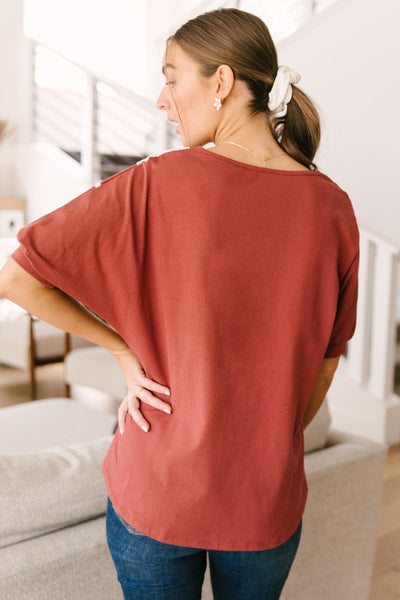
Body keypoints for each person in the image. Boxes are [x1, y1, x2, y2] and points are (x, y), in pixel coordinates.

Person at [0, 7, 359, 600]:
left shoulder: (156, 181)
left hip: (159, 490)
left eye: (171, 78)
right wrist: (261, 440)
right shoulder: (333, 209)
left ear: (220, 83)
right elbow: (324, 360)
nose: (163, 100)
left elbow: (17, 279)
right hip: (264, 500)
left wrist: (121, 350)